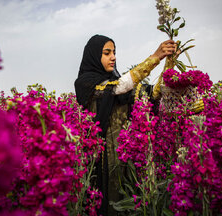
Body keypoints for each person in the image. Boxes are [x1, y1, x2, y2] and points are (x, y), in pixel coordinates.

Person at [74, 34, 178, 215]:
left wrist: (169, 63)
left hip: (125, 156)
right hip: (101, 160)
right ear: (94, 56)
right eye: (107, 53)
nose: (113, 57)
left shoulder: (117, 81)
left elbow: (154, 93)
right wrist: (155, 57)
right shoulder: (86, 83)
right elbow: (118, 87)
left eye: (114, 52)